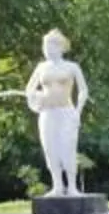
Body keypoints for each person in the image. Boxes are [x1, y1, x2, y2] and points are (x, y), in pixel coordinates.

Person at [23, 30, 89, 197]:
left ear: (60, 47)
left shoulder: (72, 67)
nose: (47, 49)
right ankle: (57, 185)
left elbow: (83, 90)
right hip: (47, 113)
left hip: (66, 112)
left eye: (50, 45)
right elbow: (29, 90)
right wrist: (36, 98)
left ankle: (72, 187)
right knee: (50, 148)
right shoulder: (41, 68)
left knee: (68, 147)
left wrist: (78, 111)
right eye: (44, 46)